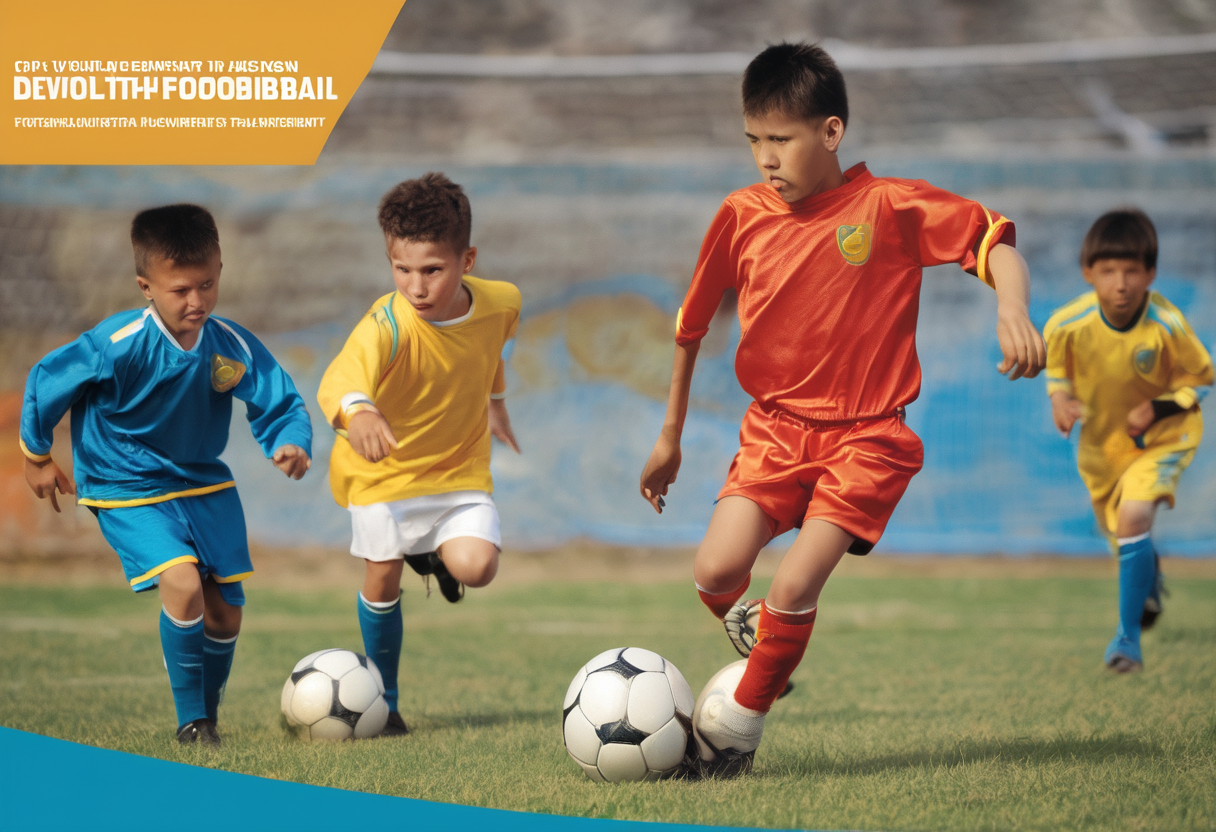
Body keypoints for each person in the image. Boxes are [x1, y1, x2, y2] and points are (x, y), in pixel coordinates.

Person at [639, 42, 1046, 775]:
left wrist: (1012, 307)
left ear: (831, 132)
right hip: (773, 433)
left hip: (867, 438)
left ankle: (734, 735)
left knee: (794, 583)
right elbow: (690, 328)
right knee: (715, 572)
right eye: (753, 140)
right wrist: (669, 437)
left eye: (781, 139)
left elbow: (995, 241)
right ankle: (770, 647)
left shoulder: (888, 206)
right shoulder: (740, 215)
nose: (766, 158)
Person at [21, 204, 313, 746]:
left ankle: (208, 719)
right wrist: (37, 455)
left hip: (202, 484)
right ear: (146, 287)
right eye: (180, 290)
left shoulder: (229, 346)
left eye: (206, 284)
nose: (196, 301)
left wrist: (289, 440)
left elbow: (279, 398)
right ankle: (191, 723)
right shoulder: (119, 343)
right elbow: (48, 379)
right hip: (125, 483)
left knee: (225, 613)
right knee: (181, 582)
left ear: (220, 269)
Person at [317, 173, 521, 737]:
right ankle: (385, 703)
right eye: (401, 269)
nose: (416, 286)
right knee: (382, 576)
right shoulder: (385, 326)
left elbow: (493, 346)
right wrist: (360, 412)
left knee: (478, 568)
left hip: (457, 468)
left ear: (467, 260)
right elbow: (340, 381)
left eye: (432, 270)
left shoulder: (503, 301)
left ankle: (431, 556)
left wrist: (496, 404)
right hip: (382, 473)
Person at [1044, 208, 1211, 674]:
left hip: (1164, 438)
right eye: (1108, 271)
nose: (1120, 284)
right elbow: (1057, 369)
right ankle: (1148, 575)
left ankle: (1126, 642)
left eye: (1132, 271)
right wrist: (1060, 400)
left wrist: (1159, 407)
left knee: (1134, 515)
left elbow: (1201, 378)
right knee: (1122, 533)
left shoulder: (1166, 324)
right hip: (1102, 449)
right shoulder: (1066, 324)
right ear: (1088, 272)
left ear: (1150, 274)